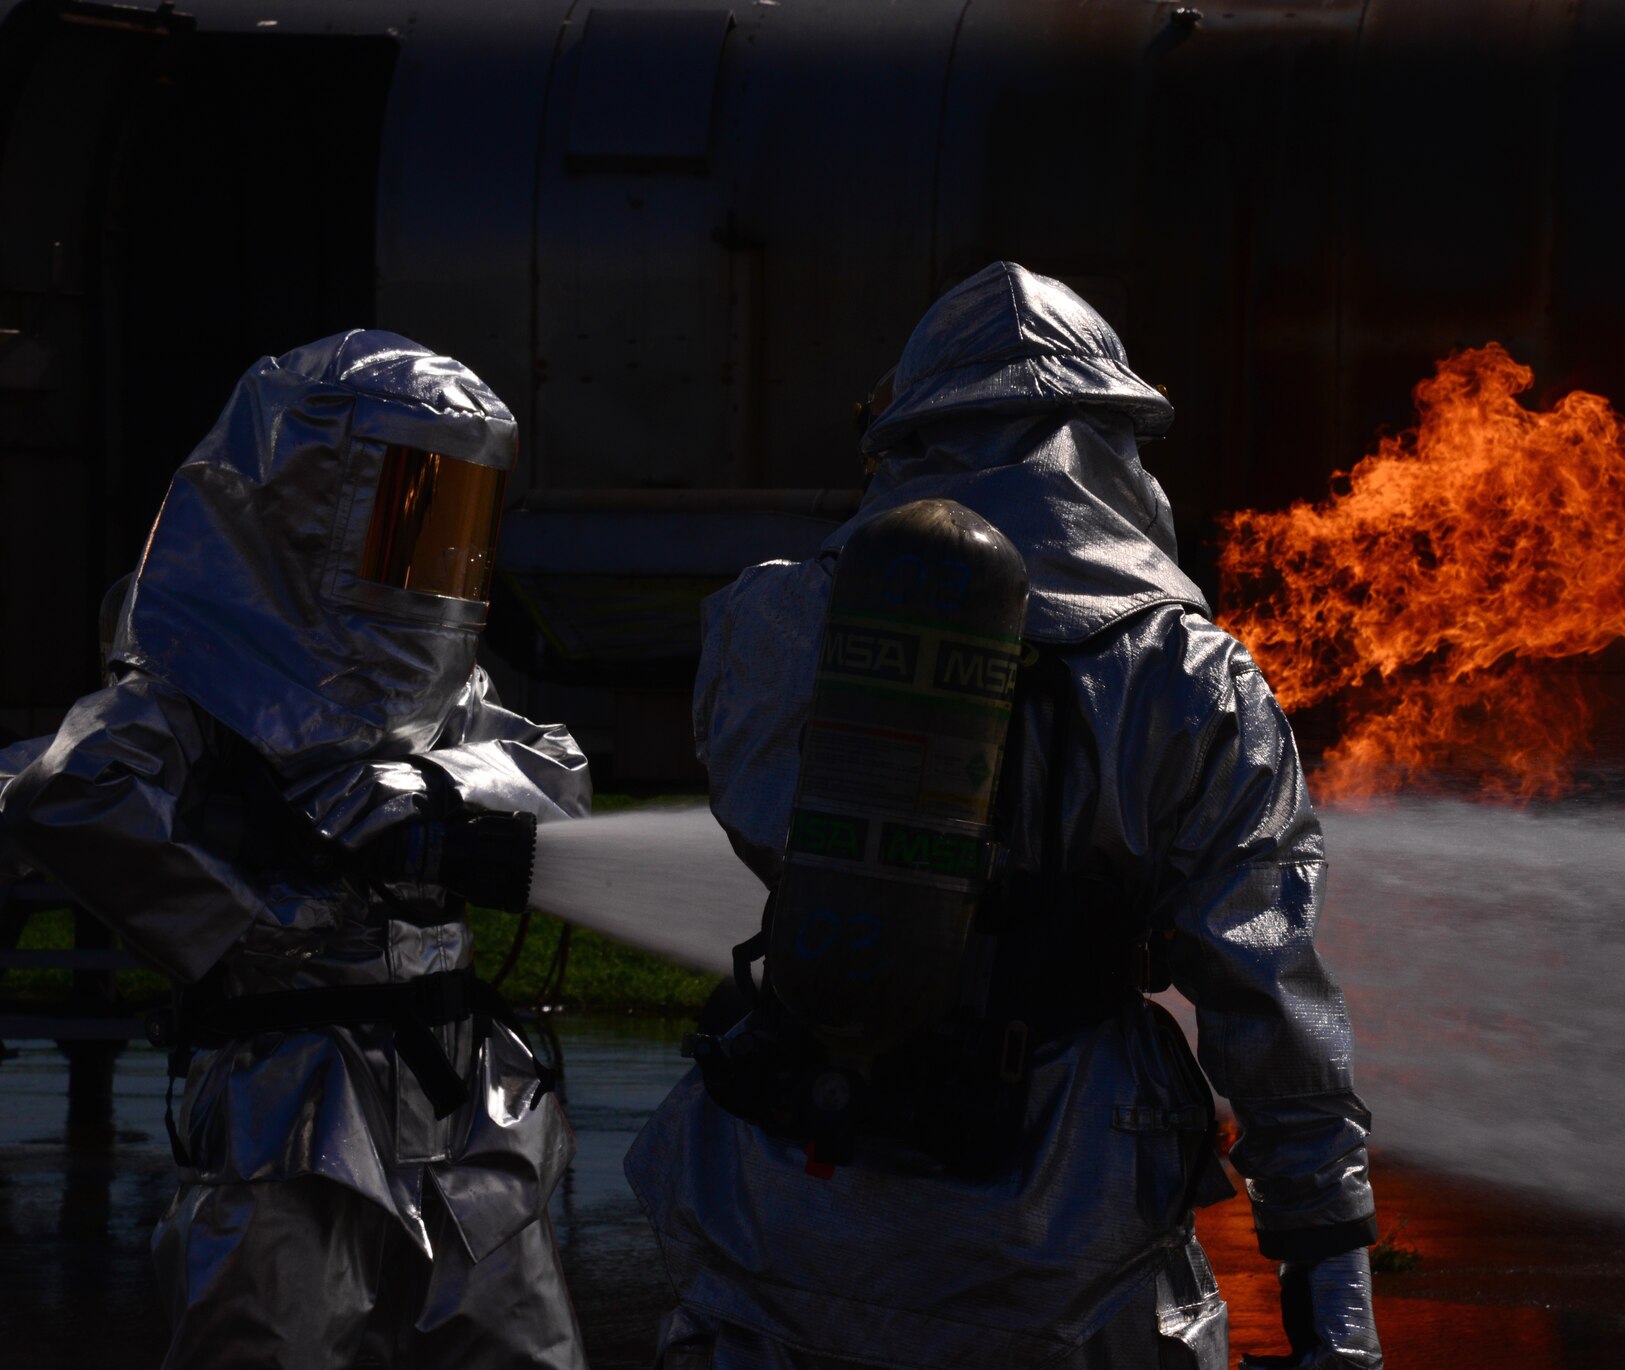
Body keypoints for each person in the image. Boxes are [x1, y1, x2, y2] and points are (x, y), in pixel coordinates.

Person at [625, 263, 1382, 1369]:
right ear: (1107, 442)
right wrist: (1334, 1302)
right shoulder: (1184, 672)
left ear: (912, 434)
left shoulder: (771, 620)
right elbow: (1267, 995)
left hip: (783, 1206)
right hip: (1055, 1227)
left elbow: (768, 828)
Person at [0, 331, 593, 1368]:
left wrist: (426, 790)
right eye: (412, 505)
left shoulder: (440, 680)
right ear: (314, 501)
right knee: (274, 1342)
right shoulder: (202, 666)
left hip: (464, 1101)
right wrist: (250, 917)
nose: (435, 549)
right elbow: (63, 788)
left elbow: (560, 779)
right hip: (292, 1096)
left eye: (453, 509)